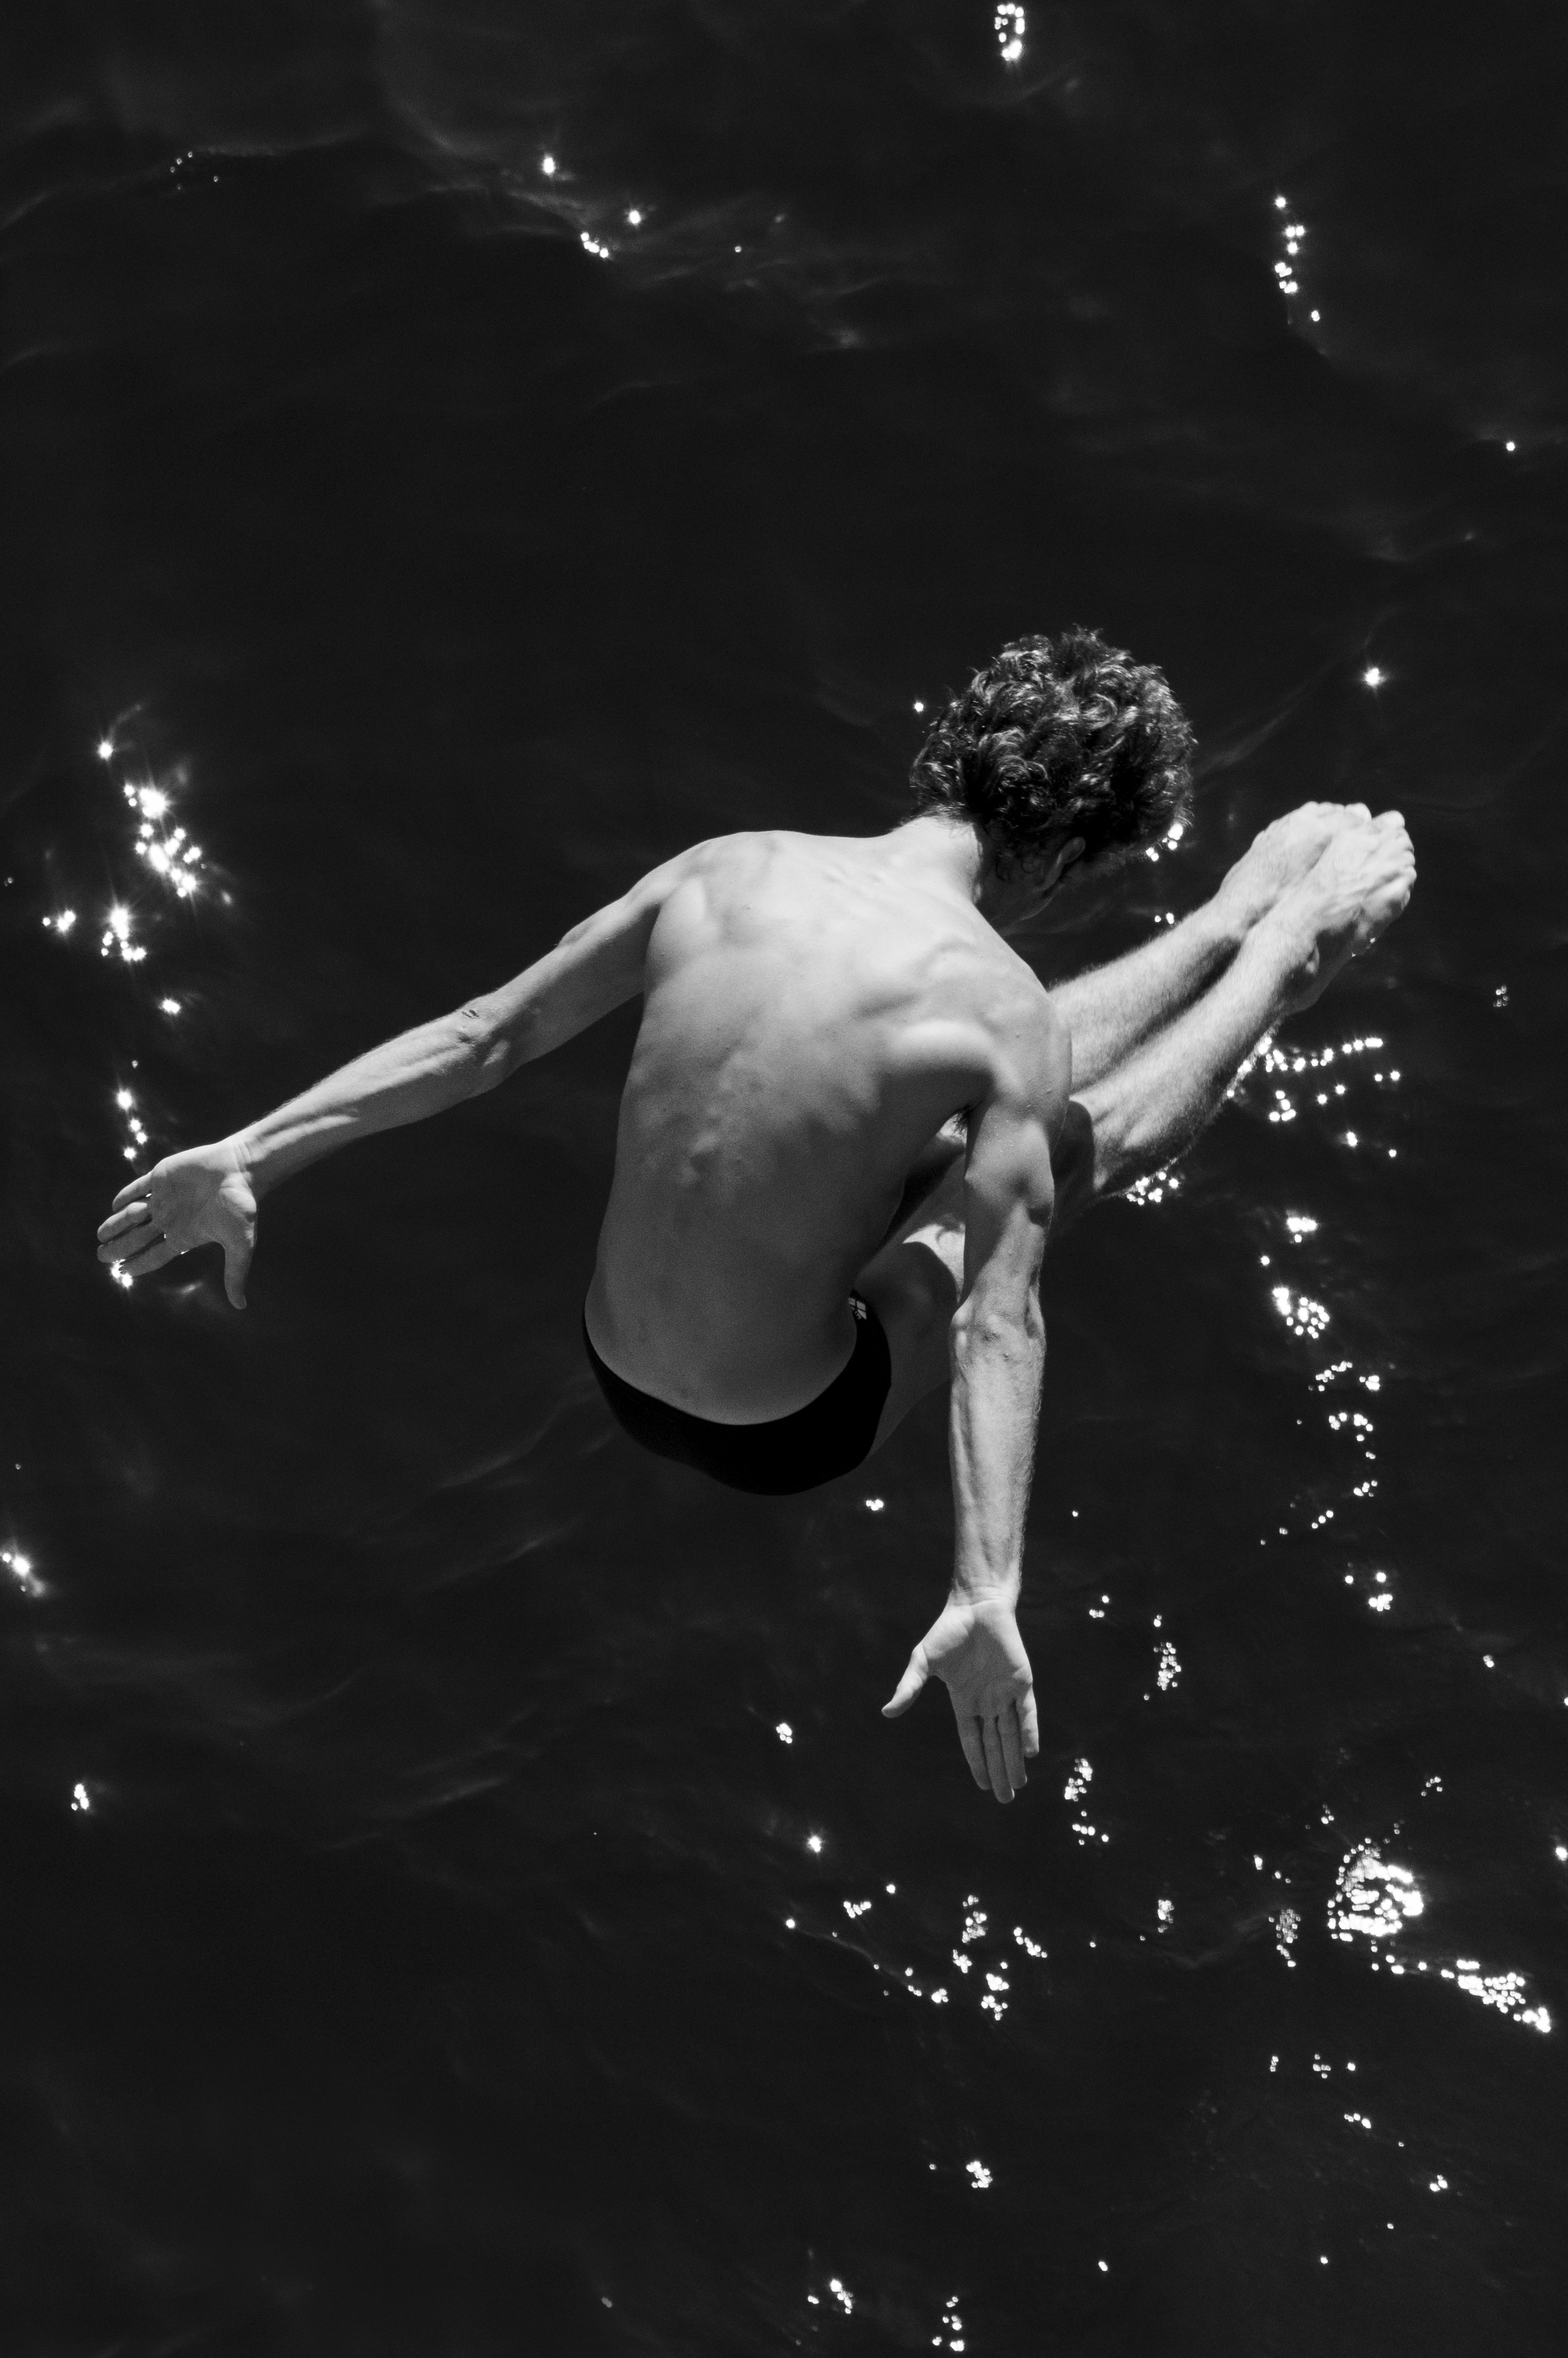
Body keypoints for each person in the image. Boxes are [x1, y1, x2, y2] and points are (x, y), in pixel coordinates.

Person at [91, 630, 1416, 1803]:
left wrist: (254, 1150)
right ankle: (1277, 950)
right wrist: (985, 1587)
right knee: (1067, 1142)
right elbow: (997, 1321)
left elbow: (483, 1036)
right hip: (788, 1426)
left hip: (614, 1357)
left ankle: (1224, 926)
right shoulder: (995, 1005)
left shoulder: (725, 873)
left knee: (956, 1094)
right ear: (1066, 856)